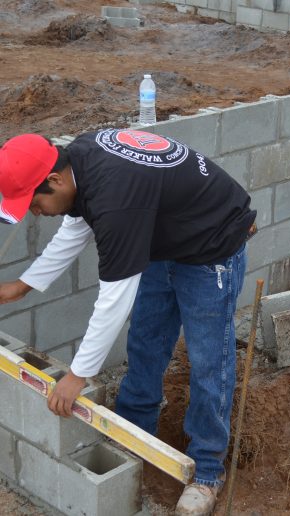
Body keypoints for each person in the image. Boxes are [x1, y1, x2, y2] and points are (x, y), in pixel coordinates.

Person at [0, 129, 256, 515]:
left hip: (210, 247)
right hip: (162, 240)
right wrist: (23, 285)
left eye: (33, 203)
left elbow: (113, 299)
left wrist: (78, 375)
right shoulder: (80, 162)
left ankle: (206, 471)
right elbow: (78, 225)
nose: (34, 213)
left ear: (54, 180)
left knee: (208, 362)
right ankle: (133, 437)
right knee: (145, 344)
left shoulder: (117, 200)